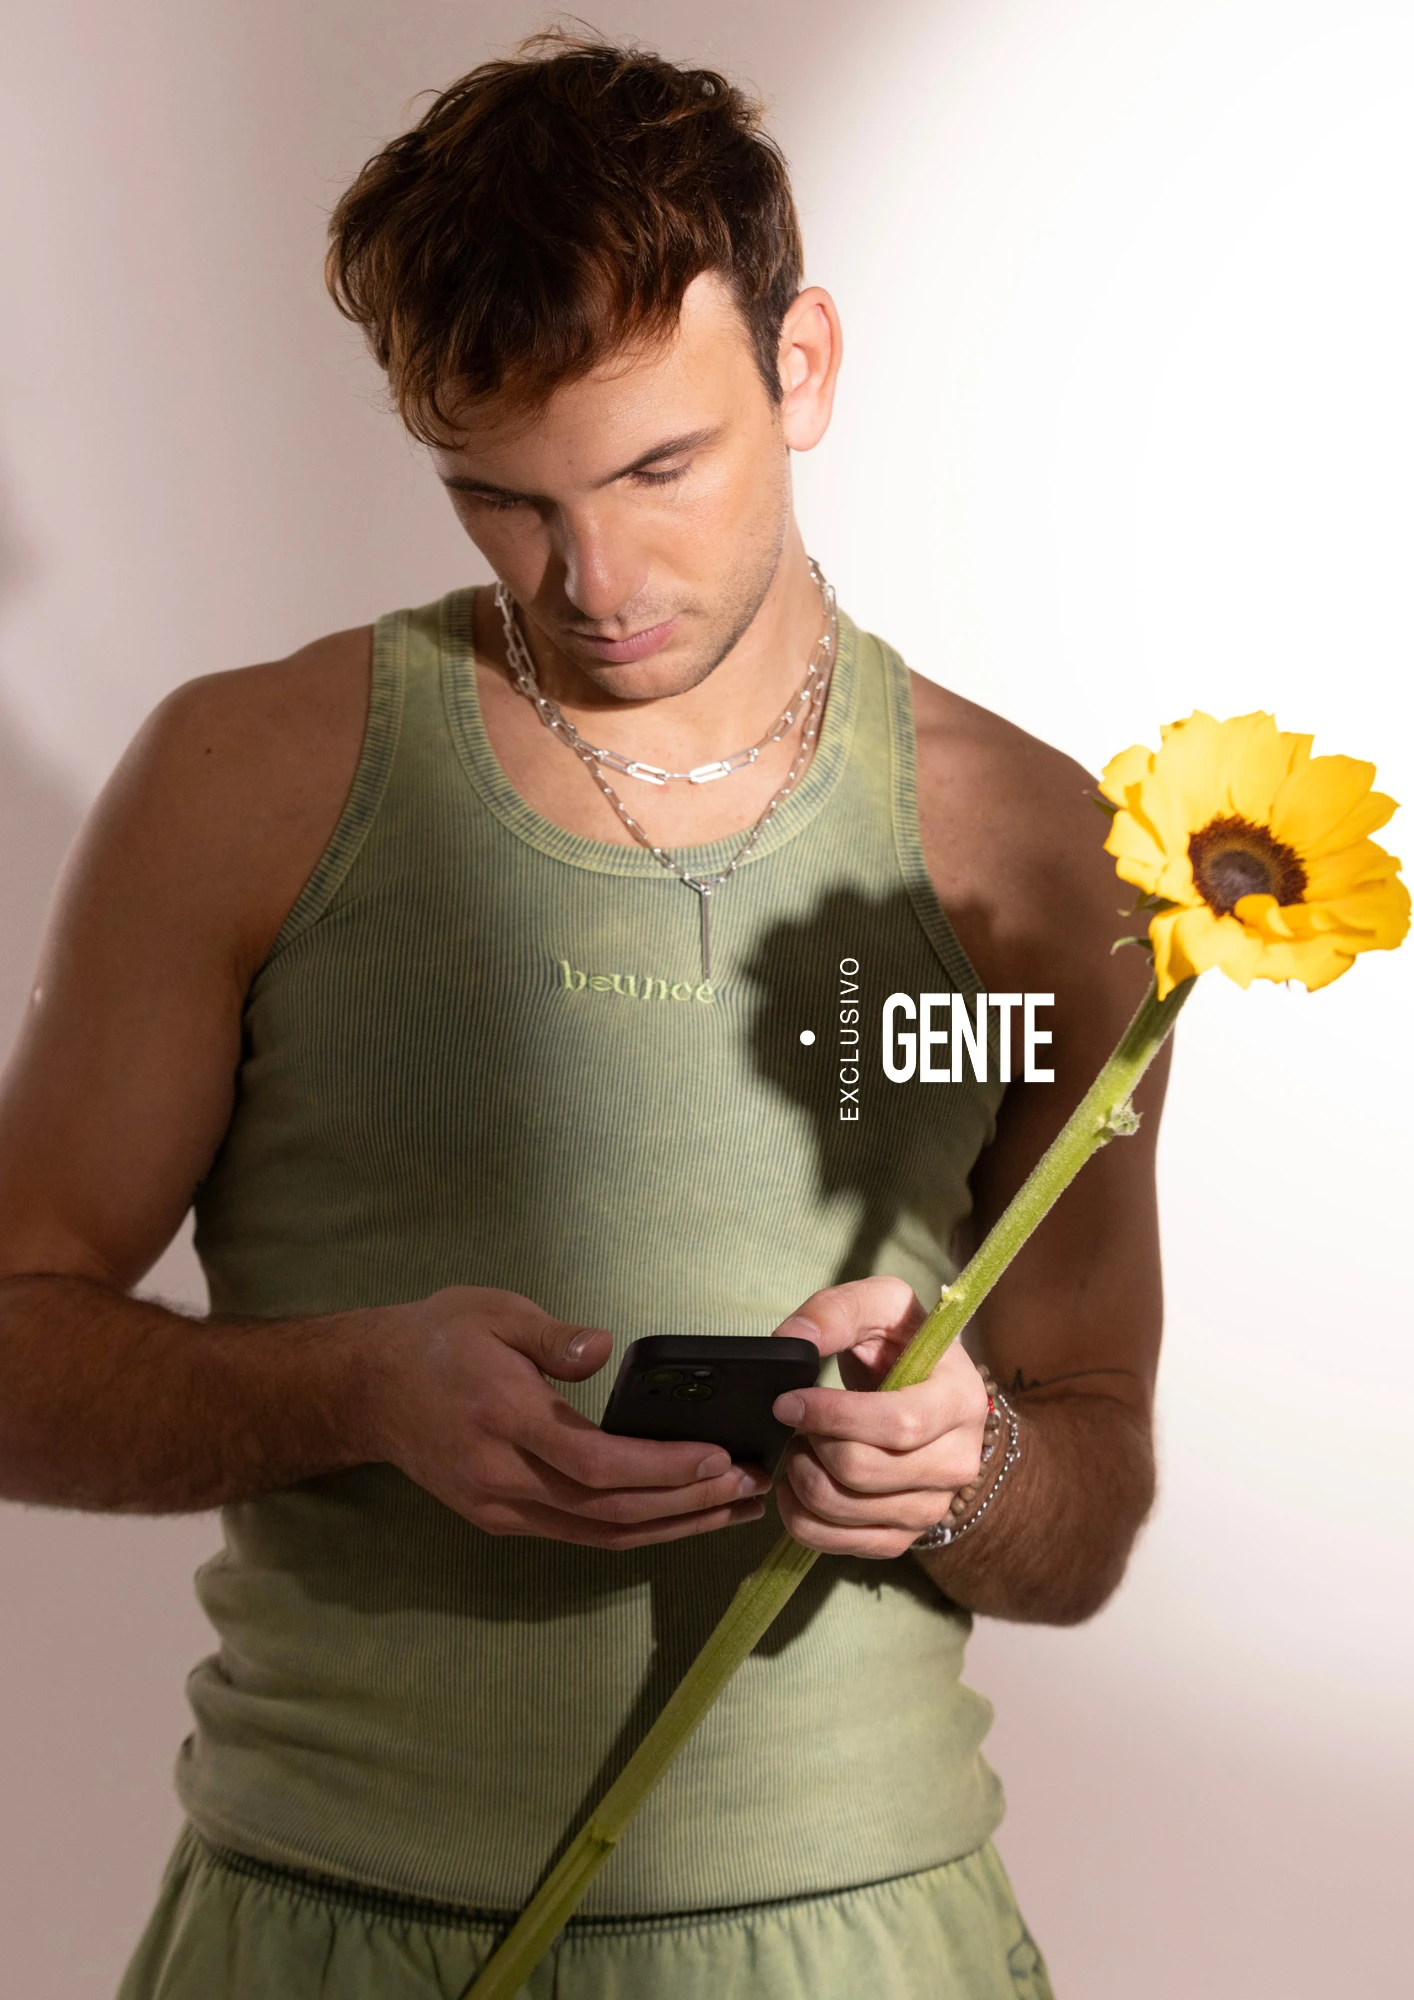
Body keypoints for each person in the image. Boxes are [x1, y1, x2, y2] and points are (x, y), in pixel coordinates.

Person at [0, 31, 1169, 2000]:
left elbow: (1089, 1495)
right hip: (329, 1926)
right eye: (501, 496)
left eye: (654, 467)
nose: (593, 577)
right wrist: (354, 1386)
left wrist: (965, 1469)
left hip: (855, 1942)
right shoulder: (243, 780)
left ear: (801, 365)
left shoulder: (1042, 851)